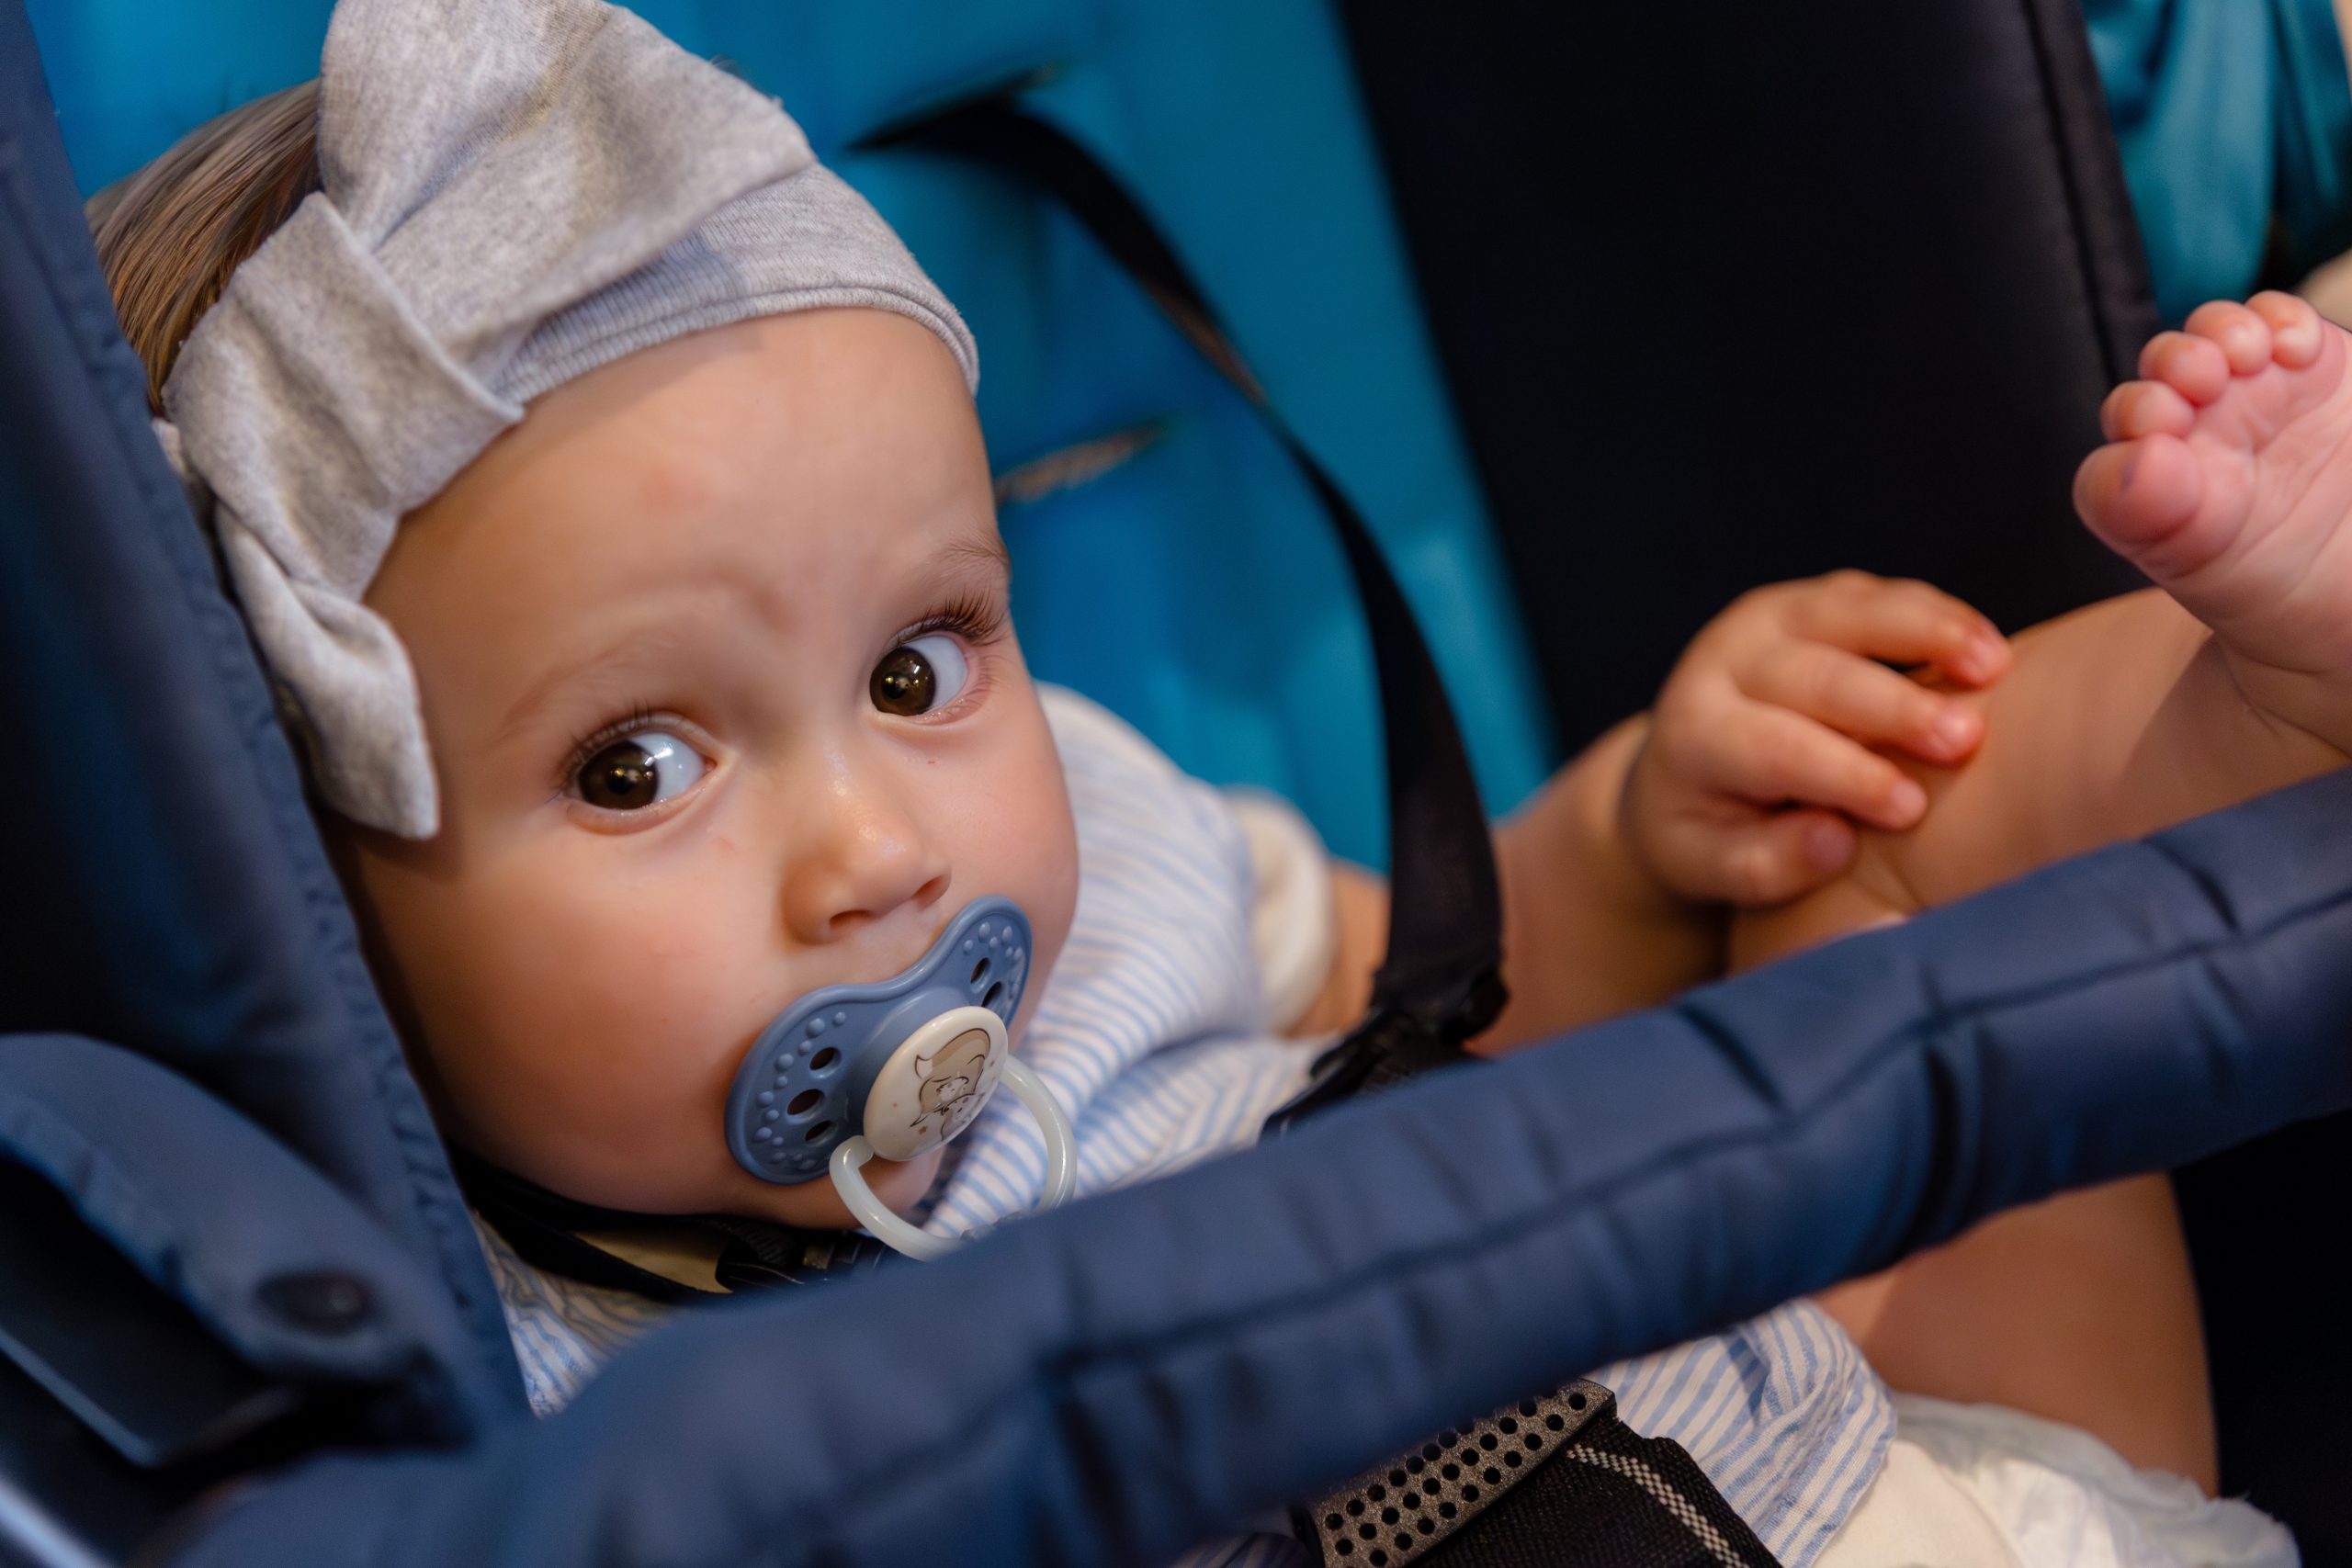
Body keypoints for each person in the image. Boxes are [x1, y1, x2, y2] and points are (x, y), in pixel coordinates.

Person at [87, 1, 2335, 1561]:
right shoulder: (500, 1385)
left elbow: (1446, 1006)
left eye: (915, 663)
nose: (873, 850)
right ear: (309, 879)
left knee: (1890, 795)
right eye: (634, 762)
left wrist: (1636, 825)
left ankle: (2272, 691)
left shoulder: (1106, 852)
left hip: (1897, 1502)